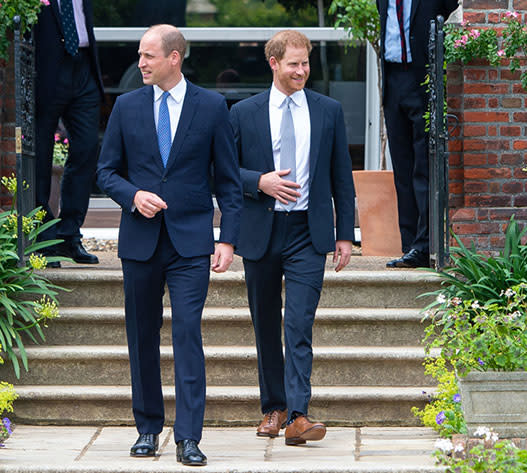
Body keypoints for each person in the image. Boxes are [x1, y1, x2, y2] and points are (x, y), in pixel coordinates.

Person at [96, 25, 242, 466]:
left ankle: (189, 437)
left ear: (174, 58)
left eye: (148, 55)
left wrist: (228, 239)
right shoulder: (125, 106)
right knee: (141, 337)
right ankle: (147, 428)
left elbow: (229, 183)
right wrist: (132, 196)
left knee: (186, 334)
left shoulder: (213, 107)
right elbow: (105, 172)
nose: (140, 62)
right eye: (140, 55)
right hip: (139, 242)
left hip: (190, 243)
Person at [229, 30, 355, 446]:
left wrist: (344, 234)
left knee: (298, 324)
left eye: (306, 64)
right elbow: (223, 174)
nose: (301, 71)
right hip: (261, 231)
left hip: (307, 231)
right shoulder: (244, 113)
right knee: (266, 324)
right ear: (274, 63)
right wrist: (259, 181)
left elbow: (341, 176)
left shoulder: (328, 110)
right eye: (293, 64)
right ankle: (274, 409)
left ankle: (299, 416)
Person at [378, 0, 458, 268]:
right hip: (392, 81)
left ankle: (424, 246)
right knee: (402, 169)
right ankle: (409, 245)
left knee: (423, 166)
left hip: (421, 79)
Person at [34, 0, 104, 268]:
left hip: (83, 67)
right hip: (49, 72)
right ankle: (44, 237)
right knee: (41, 156)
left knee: (86, 149)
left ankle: (69, 233)